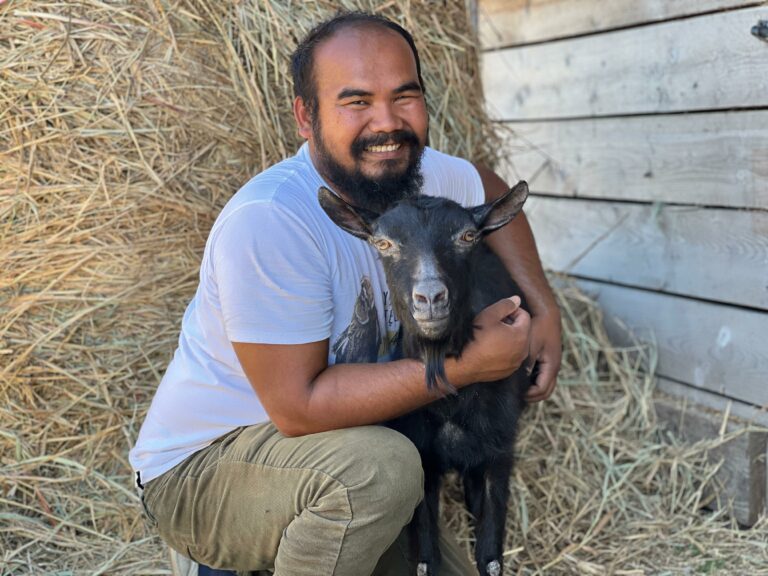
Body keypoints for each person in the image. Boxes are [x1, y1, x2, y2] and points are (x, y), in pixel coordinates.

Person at [130, 11, 562, 576]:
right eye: (356, 102)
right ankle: (218, 557)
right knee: (385, 469)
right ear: (305, 117)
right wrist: (462, 368)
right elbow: (298, 407)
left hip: (338, 451)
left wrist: (544, 305)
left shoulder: (417, 173)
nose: (387, 122)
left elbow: (491, 191)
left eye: (405, 97)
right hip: (208, 466)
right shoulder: (272, 221)